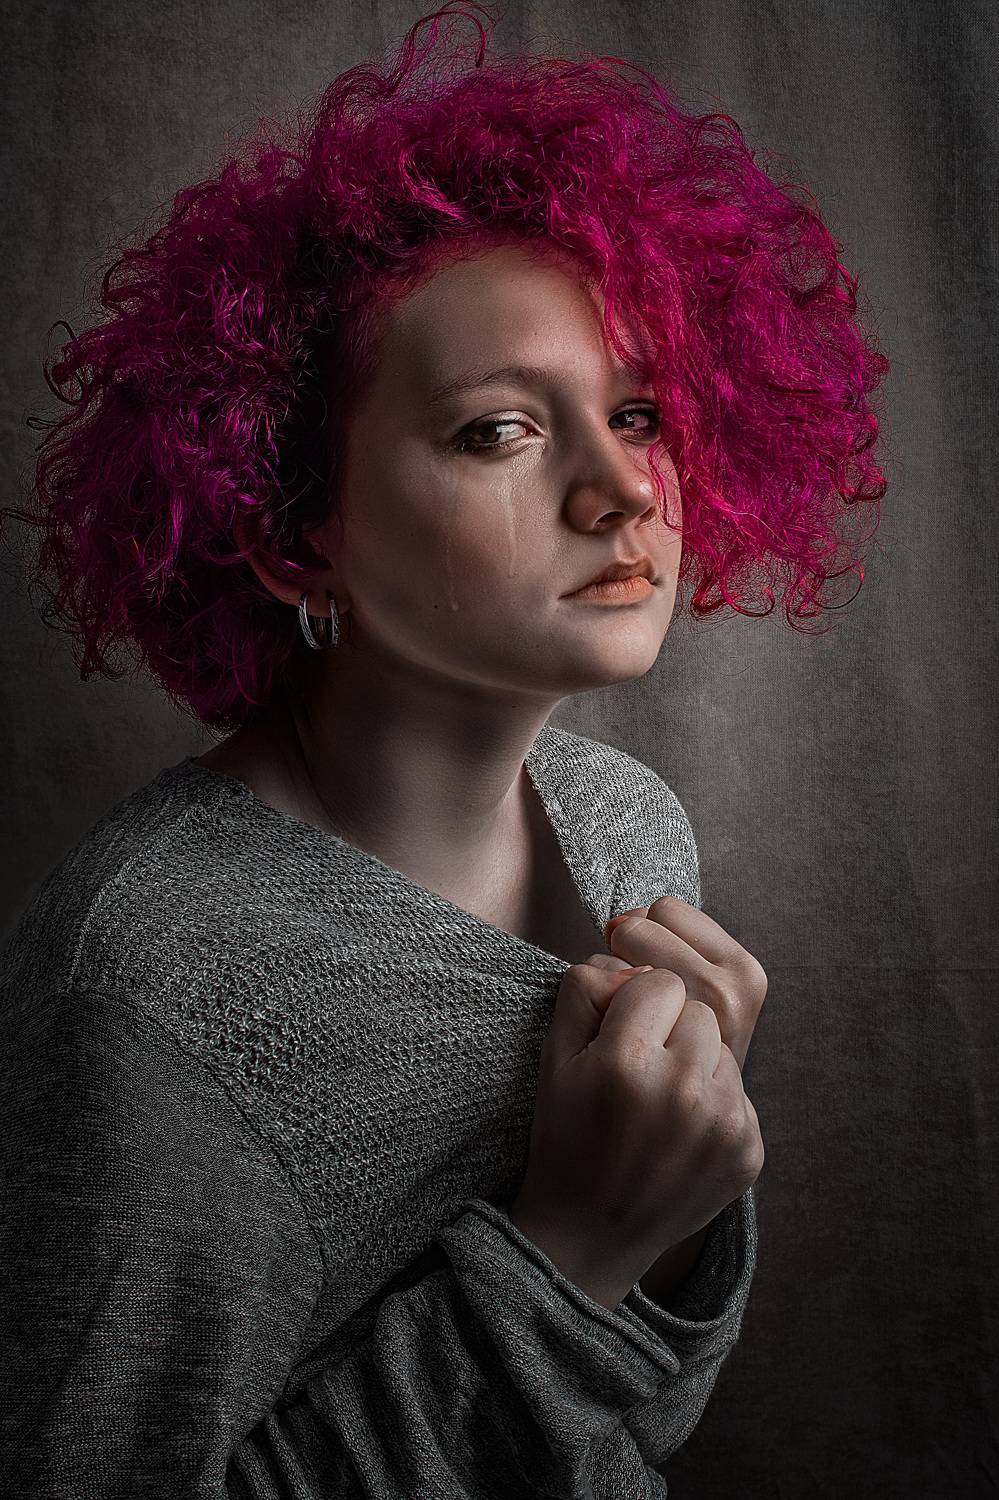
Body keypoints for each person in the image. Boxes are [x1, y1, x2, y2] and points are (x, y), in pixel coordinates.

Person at [0, 4, 890, 1495]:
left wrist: (665, 1232)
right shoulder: (146, 1003)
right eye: (499, 431)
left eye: (638, 411)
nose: (623, 491)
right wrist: (573, 1253)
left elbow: (620, 1430)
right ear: (294, 536)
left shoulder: (629, 827)